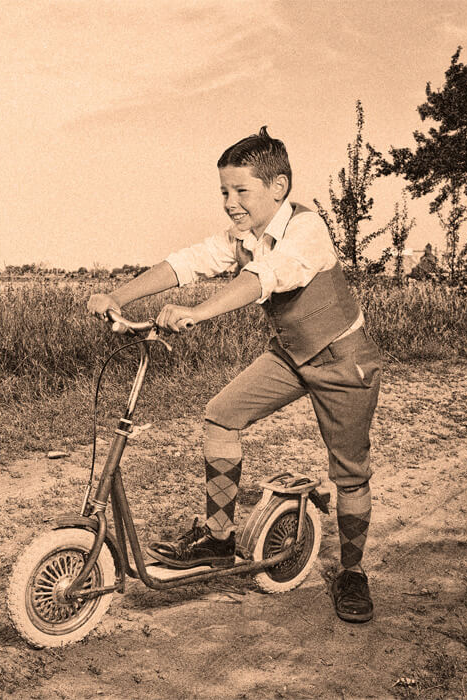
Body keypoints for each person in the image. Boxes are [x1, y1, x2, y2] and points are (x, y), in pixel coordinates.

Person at [87, 127, 382, 623]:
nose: (230, 202)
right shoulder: (242, 238)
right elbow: (188, 263)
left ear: (279, 187)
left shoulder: (307, 230)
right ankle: (219, 540)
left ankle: (353, 572)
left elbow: (267, 278)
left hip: (341, 359)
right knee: (221, 417)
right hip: (291, 354)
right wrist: (120, 296)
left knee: (349, 473)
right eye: (224, 191)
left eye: (241, 191)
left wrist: (199, 313)